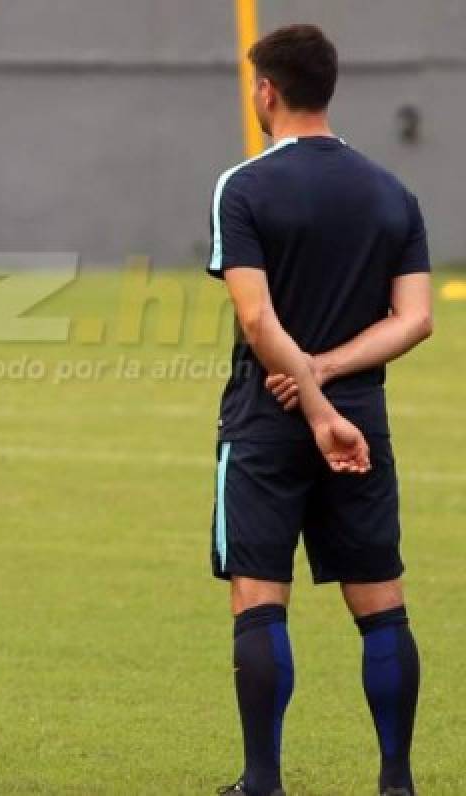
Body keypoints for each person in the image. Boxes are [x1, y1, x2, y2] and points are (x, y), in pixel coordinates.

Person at [207, 24, 431, 796]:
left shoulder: (244, 187)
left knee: (259, 597)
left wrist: (305, 387)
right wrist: (333, 384)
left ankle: (263, 782)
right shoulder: (390, 192)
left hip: (267, 423)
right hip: (360, 423)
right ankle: (396, 782)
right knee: (381, 606)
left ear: (267, 90)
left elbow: (258, 321)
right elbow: (415, 319)